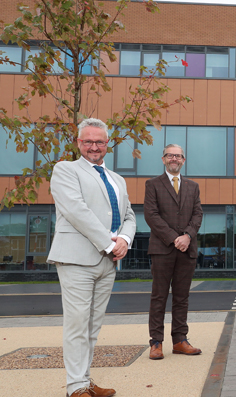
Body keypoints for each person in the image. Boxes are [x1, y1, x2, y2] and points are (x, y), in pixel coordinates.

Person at [48, 118, 136, 397]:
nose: (93, 147)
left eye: (99, 142)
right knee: (76, 324)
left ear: (107, 144)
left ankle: (84, 381)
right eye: (88, 141)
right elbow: (76, 211)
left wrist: (124, 240)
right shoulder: (65, 170)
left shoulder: (117, 179)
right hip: (76, 259)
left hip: (106, 263)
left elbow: (129, 216)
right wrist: (109, 245)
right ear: (78, 143)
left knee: (92, 326)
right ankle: (75, 387)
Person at [144, 144, 203, 360]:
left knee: (182, 297)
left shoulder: (193, 186)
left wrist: (187, 236)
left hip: (187, 250)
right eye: (170, 155)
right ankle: (156, 343)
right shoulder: (152, 185)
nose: (174, 159)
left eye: (178, 156)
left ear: (183, 160)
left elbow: (198, 214)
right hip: (162, 249)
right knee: (159, 297)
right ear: (163, 159)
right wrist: (173, 238)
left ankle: (180, 340)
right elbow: (151, 215)